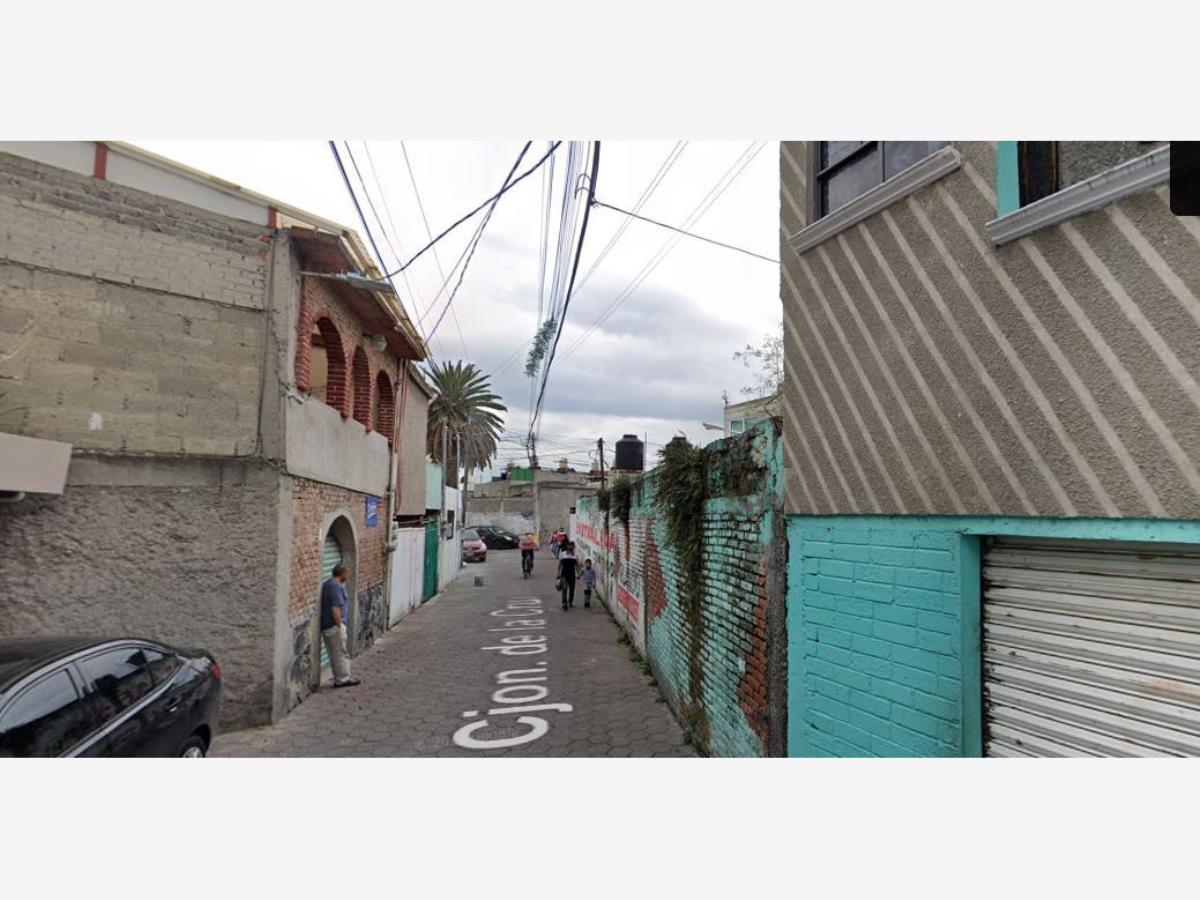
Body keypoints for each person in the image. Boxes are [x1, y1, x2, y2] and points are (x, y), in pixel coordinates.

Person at [320, 564, 360, 688]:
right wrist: (340, 626)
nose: (348, 576)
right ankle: (343, 678)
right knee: (340, 652)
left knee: (336, 653)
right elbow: (336, 609)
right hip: (334, 626)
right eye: (348, 573)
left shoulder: (328, 584)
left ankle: (340, 677)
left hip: (329, 625)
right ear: (343, 573)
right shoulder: (335, 587)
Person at [557, 540, 578, 610]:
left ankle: (570, 601)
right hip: (564, 575)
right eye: (569, 545)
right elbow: (560, 564)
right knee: (564, 588)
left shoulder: (575, 555)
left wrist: (577, 574)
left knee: (572, 590)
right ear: (567, 546)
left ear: (573, 547)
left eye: (572, 545)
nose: (570, 547)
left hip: (572, 575)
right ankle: (564, 603)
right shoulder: (562, 554)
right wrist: (558, 573)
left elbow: (576, 566)